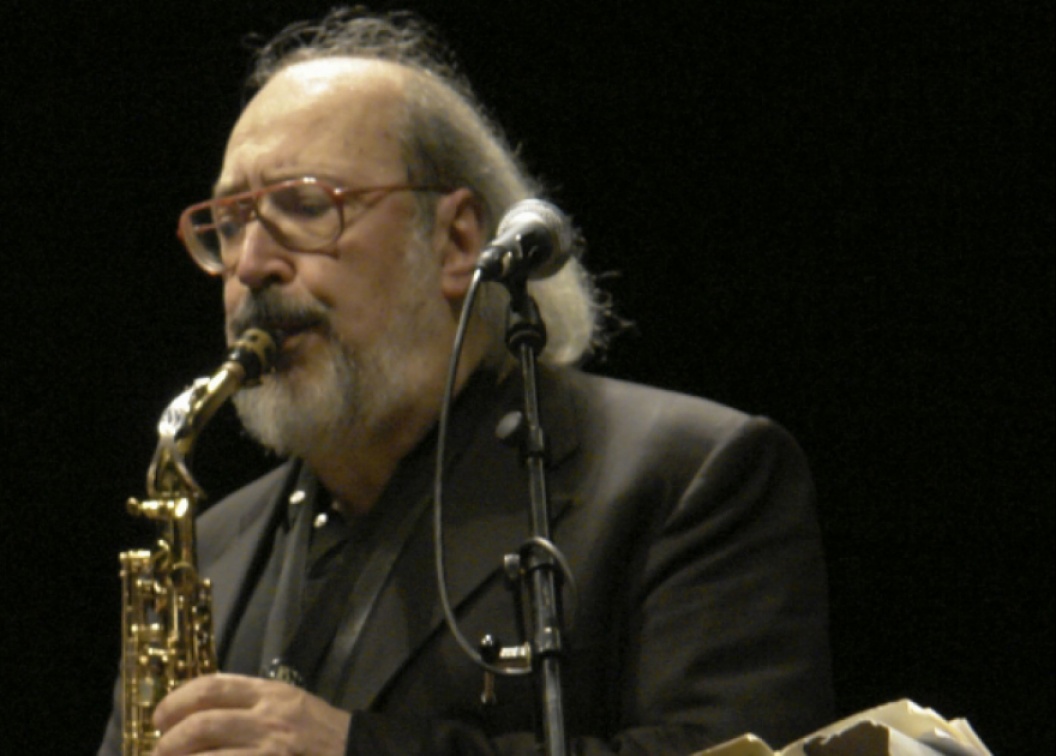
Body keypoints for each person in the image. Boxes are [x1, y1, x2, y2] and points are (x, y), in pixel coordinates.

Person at [101, 9, 833, 755]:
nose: (252, 264)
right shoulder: (212, 550)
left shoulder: (690, 476)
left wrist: (356, 749)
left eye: (307, 207)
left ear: (455, 240)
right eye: (230, 223)